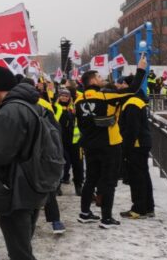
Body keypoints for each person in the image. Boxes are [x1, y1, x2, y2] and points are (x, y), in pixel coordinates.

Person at [0, 66, 49, 260]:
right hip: (33, 183)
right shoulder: (32, 105)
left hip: (15, 188)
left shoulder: (9, 112)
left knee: (20, 253)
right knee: (23, 246)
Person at [75, 54, 147, 229]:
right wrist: (141, 69)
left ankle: (85, 213)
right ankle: (106, 218)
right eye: (99, 77)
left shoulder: (78, 100)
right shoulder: (104, 97)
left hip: (89, 146)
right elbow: (133, 89)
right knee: (108, 182)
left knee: (90, 179)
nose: (101, 79)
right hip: (109, 145)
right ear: (92, 80)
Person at [117, 79, 154, 219]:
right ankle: (148, 207)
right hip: (141, 144)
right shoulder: (136, 101)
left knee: (137, 177)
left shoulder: (132, 103)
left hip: (136, 145)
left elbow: (132, 129)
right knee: (144, 176)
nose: (118, 86)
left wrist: (125, 149)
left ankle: (139, 209)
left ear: (129, 86)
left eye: (121, 84)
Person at [56, 89, 83, 196]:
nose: (64, 98)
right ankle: (57, 186)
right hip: (59, 141)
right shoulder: (54, 107)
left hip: (74, 141)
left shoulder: (74, 108)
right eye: (62, 95)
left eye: (66, 96)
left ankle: (78, 185)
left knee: (78, 164)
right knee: (59, 164)